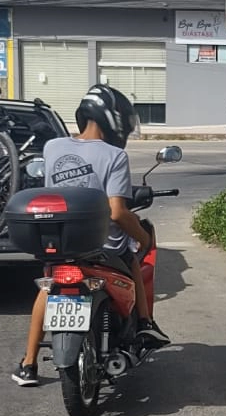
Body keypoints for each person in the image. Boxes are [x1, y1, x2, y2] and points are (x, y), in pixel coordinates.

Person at [12, 84, 169, 386]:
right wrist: (144, 239)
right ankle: (146, 324)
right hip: (102, 246)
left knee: (47, 288)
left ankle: (28, 363)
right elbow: (118, 213)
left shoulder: (53, 147)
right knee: (135, 259)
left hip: (59, 243)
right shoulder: (114, 156)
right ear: (114, 119)